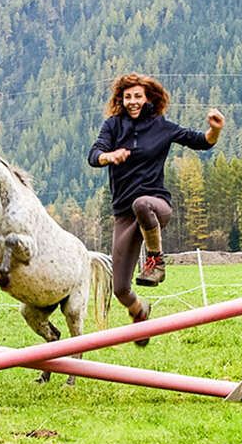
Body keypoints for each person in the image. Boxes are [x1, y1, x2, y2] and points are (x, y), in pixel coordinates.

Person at [88, 72, 224, 346]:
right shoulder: (113, 127)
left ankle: (156, 261)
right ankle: (140, 312)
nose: (132, 101)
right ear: (121, 100)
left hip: (156, 206)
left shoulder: (162, 127)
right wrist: (109, 156)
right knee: (121, 289)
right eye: (127, 97)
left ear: (148, 98)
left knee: (143, 202)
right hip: (124, 214)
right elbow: (94, 155)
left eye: (138, 96)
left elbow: (201, 141)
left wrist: (215, 130)